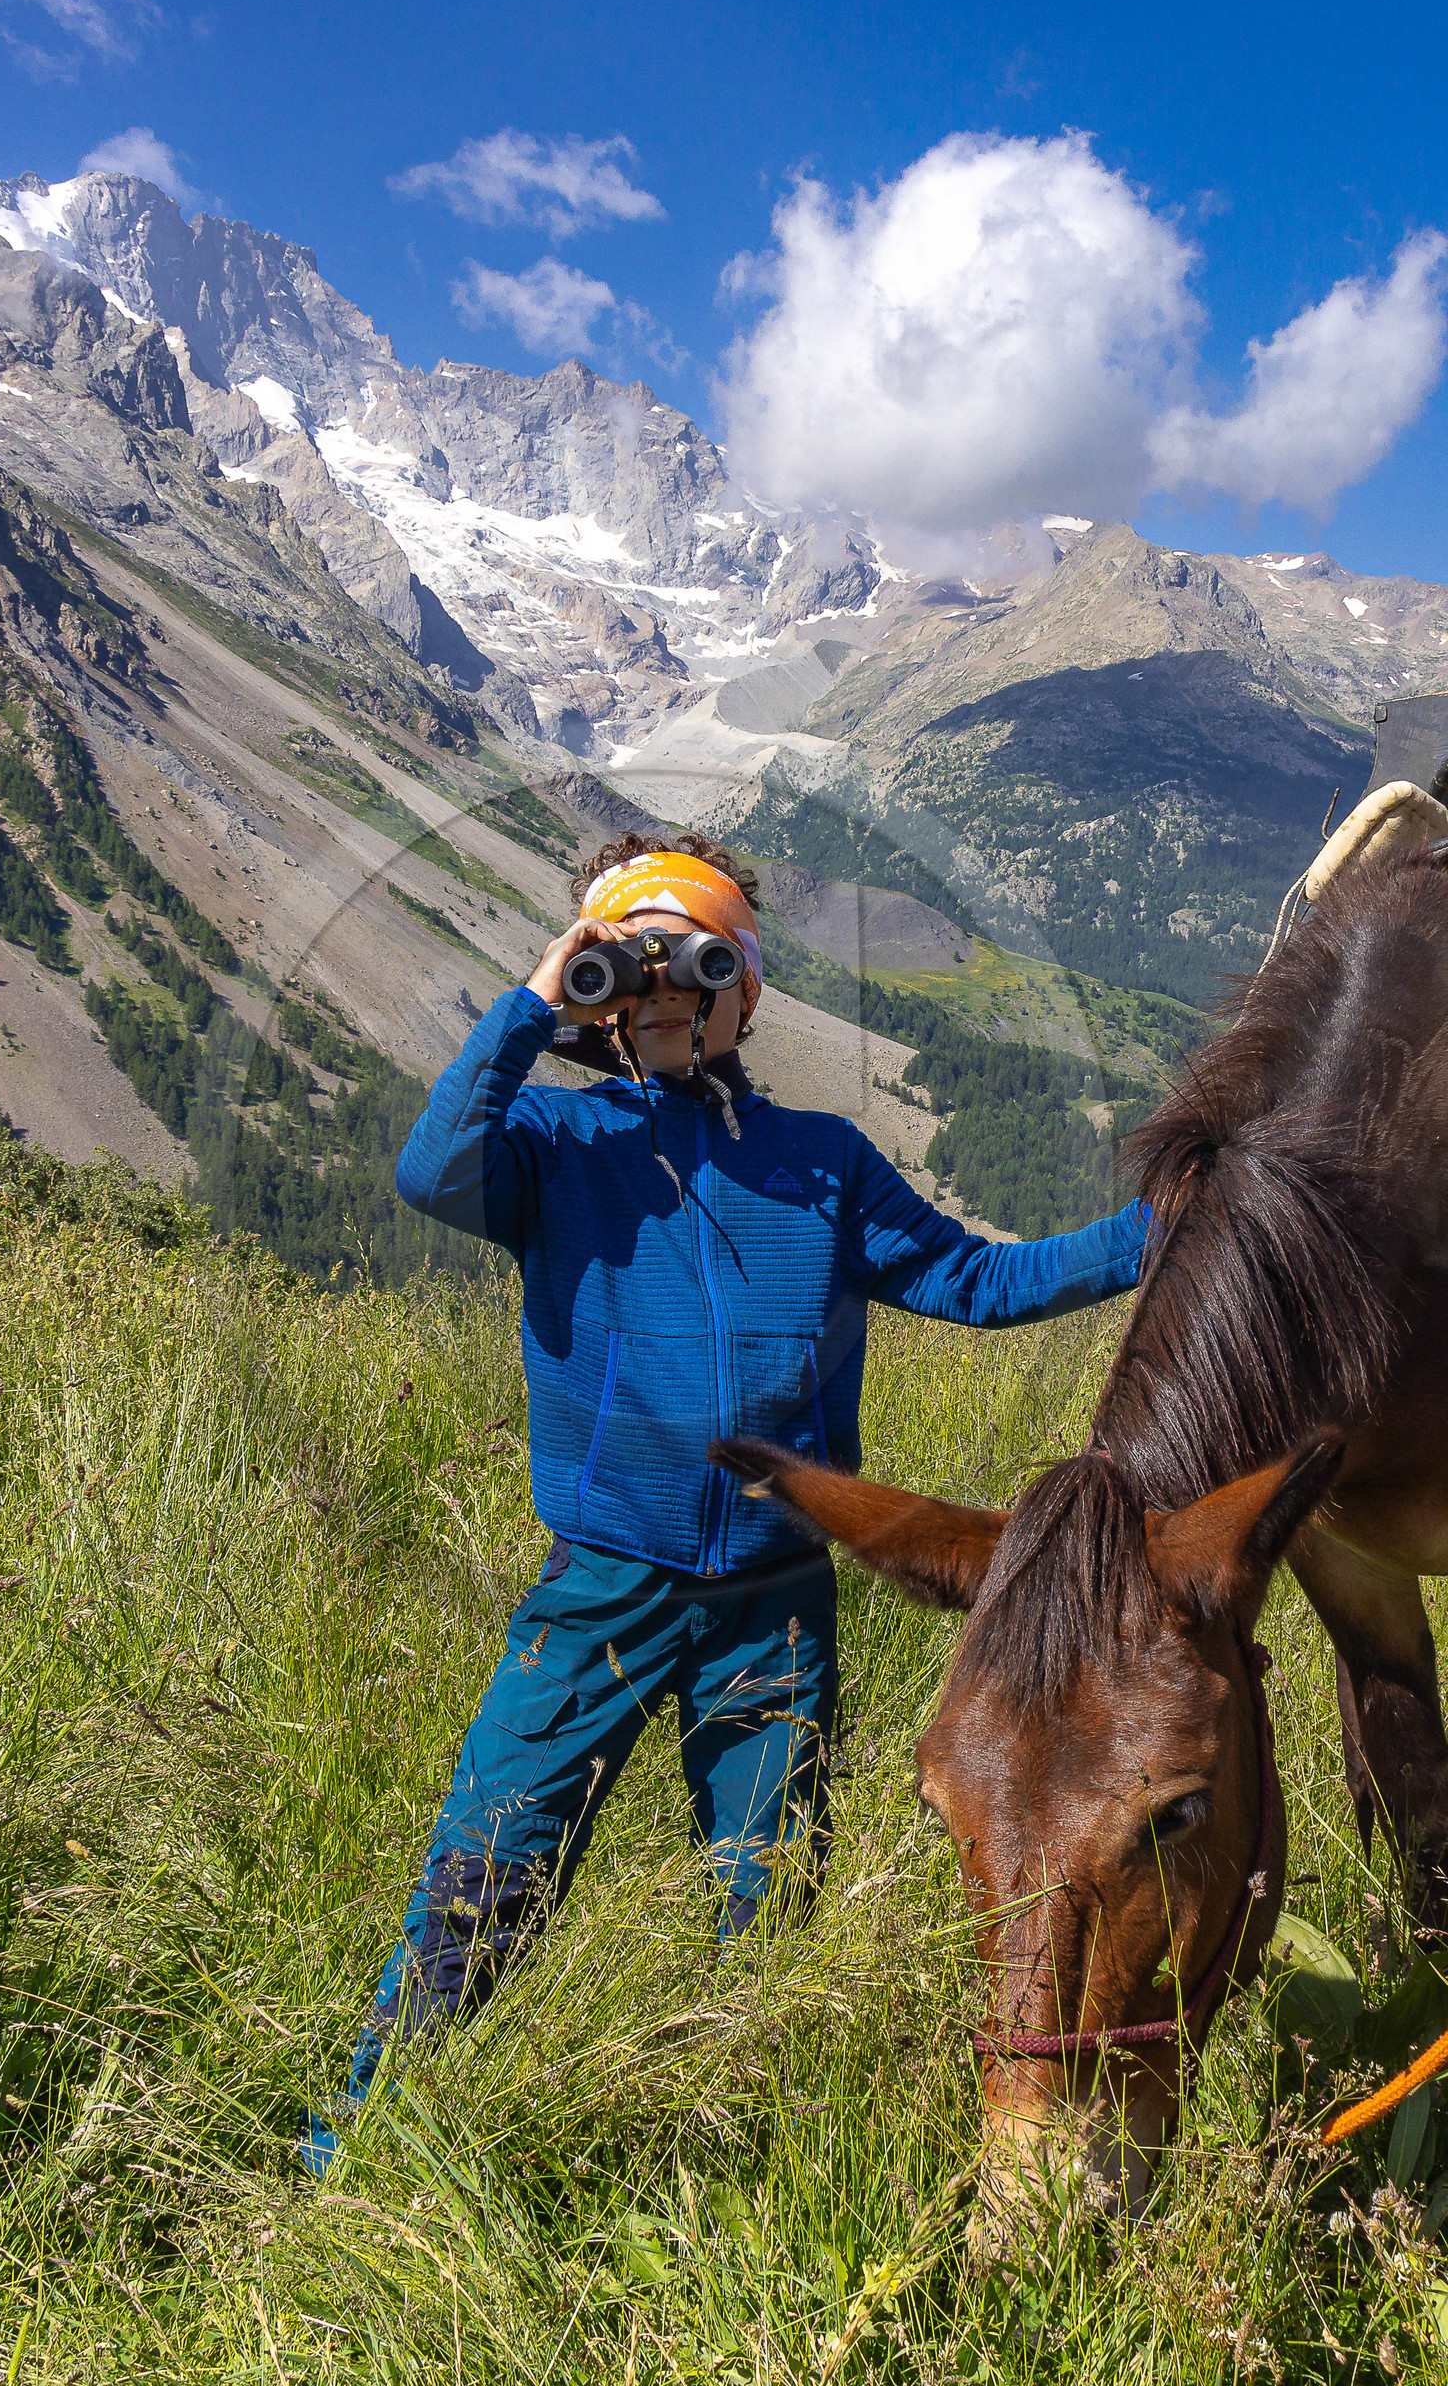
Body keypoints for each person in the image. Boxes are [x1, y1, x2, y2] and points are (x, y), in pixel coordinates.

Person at [301, 833, 1150, 2171]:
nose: (662, 997)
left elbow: (981, 1284)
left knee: (768, 1907)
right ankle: (349, 2160)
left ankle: (737, 2166)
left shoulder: (819, 1159)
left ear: (742, 987)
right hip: (602, 1587)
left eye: (696, 968)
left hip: (776, 1603)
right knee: (487, 1879)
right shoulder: (549, 1136)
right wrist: (537, 1003)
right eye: (628, 969)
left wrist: (1165, 1227)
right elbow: (429, 1172)